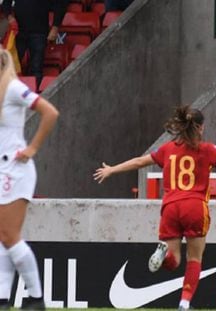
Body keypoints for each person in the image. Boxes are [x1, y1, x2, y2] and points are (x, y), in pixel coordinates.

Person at [94, 105, 216, 311]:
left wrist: (112, 169)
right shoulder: (206, 149)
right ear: (200, 128)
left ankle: (164, 254)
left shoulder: (167, 149)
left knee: (174, 261)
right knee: (194, 258)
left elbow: (140, 161)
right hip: (194, 206)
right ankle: (184, 302)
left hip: (171, 206)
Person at [0, 48, 59, 310]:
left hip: (15, 169)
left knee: (10, 235)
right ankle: (2, 296)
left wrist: (32, 148)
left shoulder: (13, 87)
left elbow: (50, 112)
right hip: (3, 170)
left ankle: (36, 298)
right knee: (2, 236)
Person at [2, 0, 68, 90]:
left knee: (36, 68)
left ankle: (34, 97)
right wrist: (9, 17)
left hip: (39, 32)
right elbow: (6, 3)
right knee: (11, 66)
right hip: (18, 31)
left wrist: (55, 27)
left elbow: (60, 4)